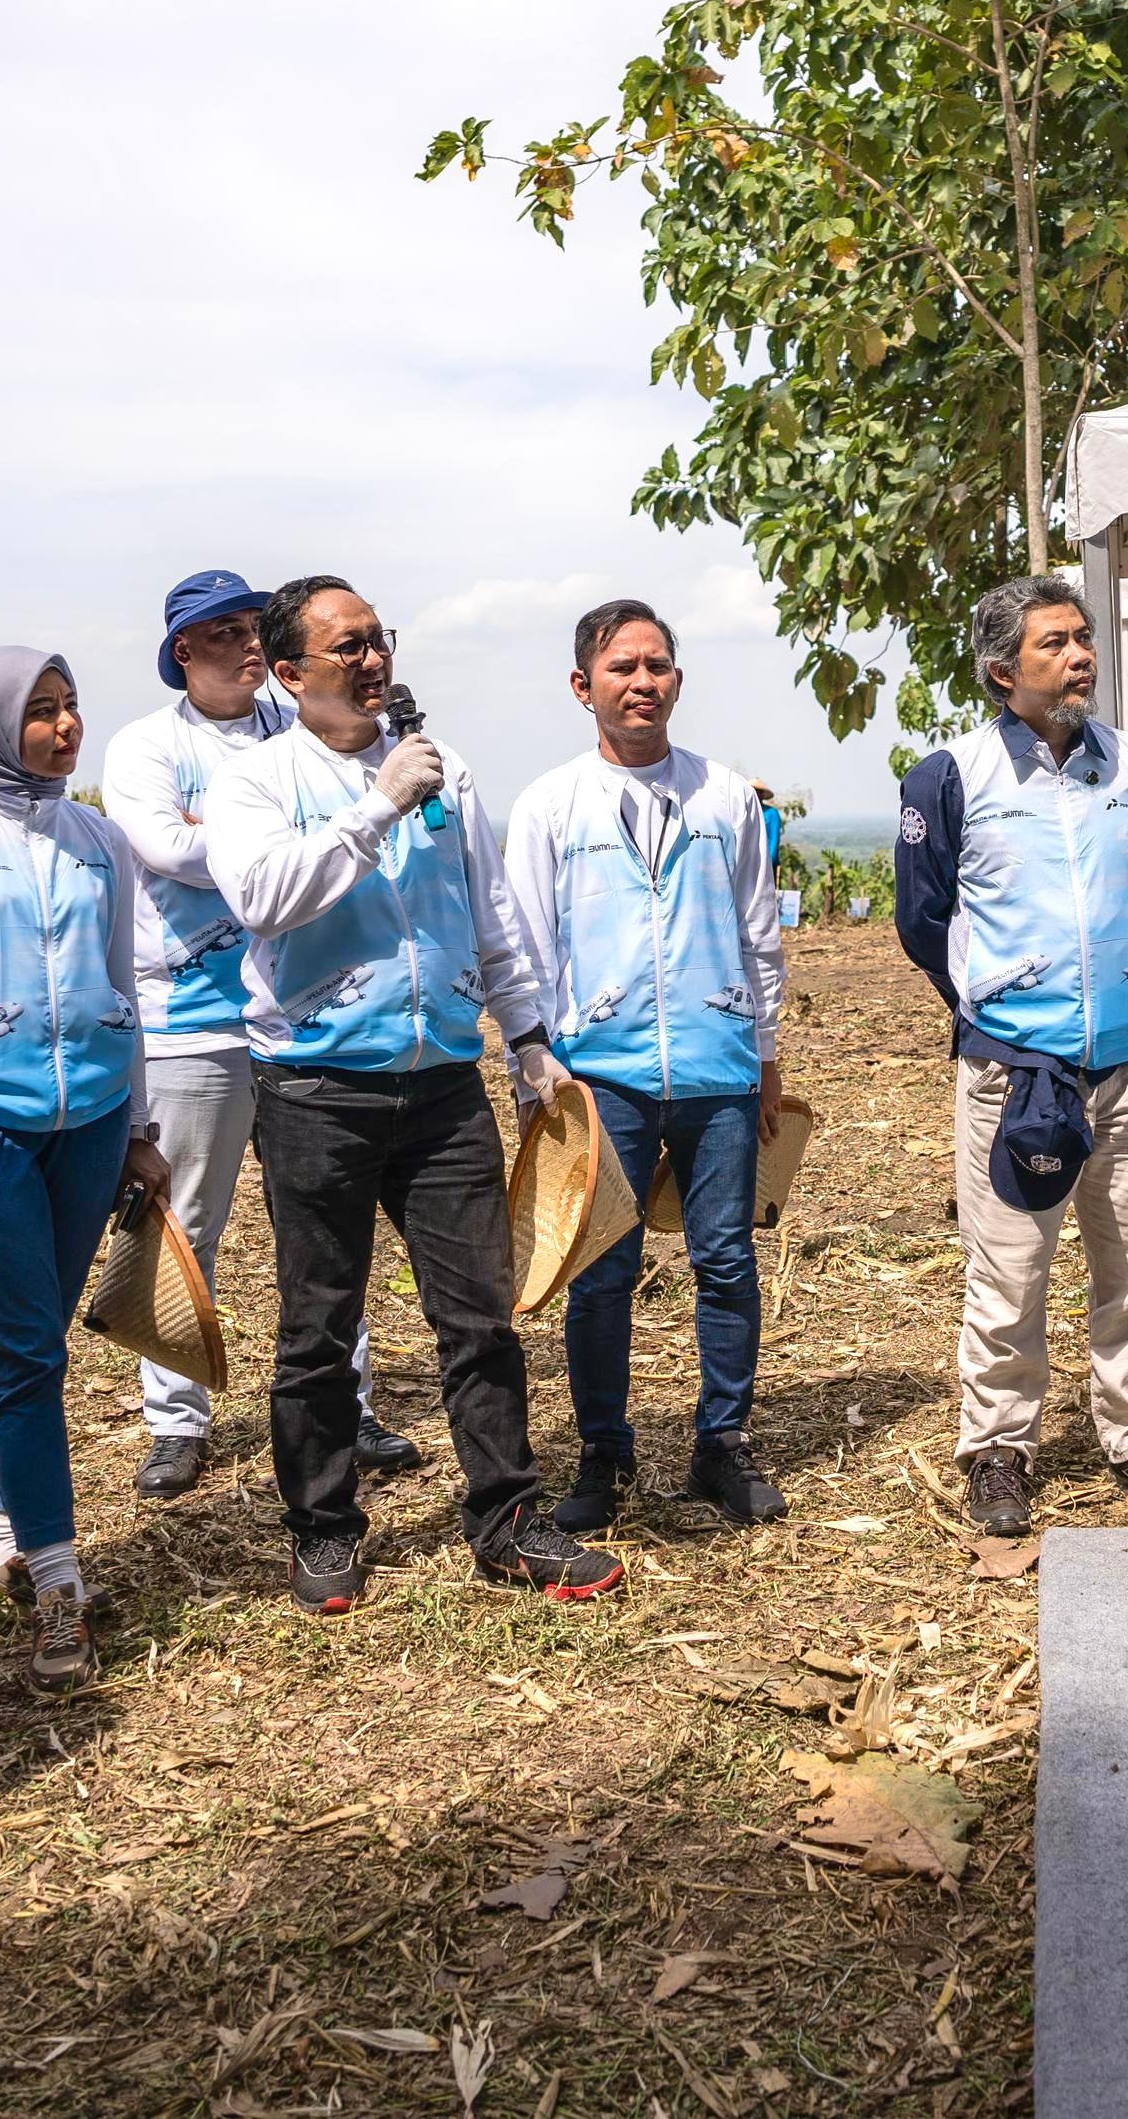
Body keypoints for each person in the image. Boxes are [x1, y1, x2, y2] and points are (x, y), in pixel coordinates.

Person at [202, 577, 620, 1613]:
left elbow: (491, 922)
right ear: (291, 673)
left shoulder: (448, 771)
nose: (372, 659)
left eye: (377, 639)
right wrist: (375, 802)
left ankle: (504, 1517)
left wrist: (526, 1042)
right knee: (316, 1324)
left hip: (441, 1085)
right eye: (345, 647)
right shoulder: (259, 781)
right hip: (314, 1087)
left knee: (478, 1315)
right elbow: (263, 897)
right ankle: (325, 1527)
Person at [893, 574, 1128, 1537]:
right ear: (1000, 670)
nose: (1080, 657)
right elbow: (923, 919)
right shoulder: (949, 778)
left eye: (1083, 638)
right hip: (1015, 1073)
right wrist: (1000, 1013)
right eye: (1055, 644)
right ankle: (998, 1449)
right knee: (1010, 1270)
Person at [97, 569, 414, 1503]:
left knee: (322, 1226)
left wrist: (256, 842)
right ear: (182, 652)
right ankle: (174, 1422)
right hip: (189, 1025)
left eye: (252, 628)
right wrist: (262, 845)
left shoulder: (300, 732)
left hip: (309, 1021)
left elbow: (280, 851)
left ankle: (347, 1404)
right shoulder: (145, 747)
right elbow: (170, 851)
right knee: (185, 1222)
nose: (243, 644)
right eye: (221, 631)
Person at [499, 601, 790, 1535]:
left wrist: (767, 1052)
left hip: (718, 1069)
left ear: (677, 681)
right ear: (583, 686)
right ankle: (604, 1451)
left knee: (727, 1258)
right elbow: (526, 944)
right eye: (621, 668)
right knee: (601, 1272)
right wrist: (533, 1072)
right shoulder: (550, 804)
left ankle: (723, 1441)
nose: (643, 682)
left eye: (658, 666)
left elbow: (758, 932)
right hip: (601, 1077)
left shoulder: (724, 797)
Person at [0, 650, 160, 1690]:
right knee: (18, 1344)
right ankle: (59, 1584)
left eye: (69, 707)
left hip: (89, 1117)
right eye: (38, 713)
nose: (64, 728)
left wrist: (138, 1122)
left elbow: (120, 976)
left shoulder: (99, 839)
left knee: (37, 1338)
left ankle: (11, 1515)